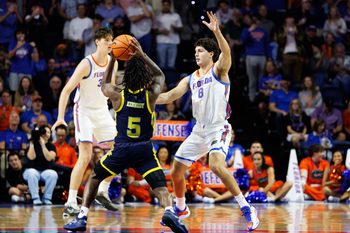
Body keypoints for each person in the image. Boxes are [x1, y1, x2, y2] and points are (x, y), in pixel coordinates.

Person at [64, 37, 187, 233]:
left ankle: (82, 216)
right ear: (145, 77)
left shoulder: (117, 94)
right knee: (160, 185)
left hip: (121, 148)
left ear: (125, 76)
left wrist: (113, 59)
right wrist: (142, 54)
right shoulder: (151, 95)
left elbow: (103, 85)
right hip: (144, 149)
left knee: (96, 176)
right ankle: (170, 211)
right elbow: (160, 75)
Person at [156, 11, 259, 231]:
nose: (196, 54)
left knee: (215, 166)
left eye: (200, 51)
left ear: (211, 53)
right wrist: (143, 96)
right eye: (195, 51)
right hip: (198, 131)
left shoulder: (219, 70)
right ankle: (181, 208)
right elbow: (168, 96)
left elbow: (227, 52)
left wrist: (217, 32)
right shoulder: (190, 78)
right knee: (176, 170)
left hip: (218, 129)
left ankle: (246, 207)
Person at [51, 27, 118, 217]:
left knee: (122, 149)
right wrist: (60, 118)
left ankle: (103, 189)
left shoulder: (113, 62)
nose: (110, 44)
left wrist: (119, 109)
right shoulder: (86, 63)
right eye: (106, 41)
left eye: (111, 41)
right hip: (84, 112)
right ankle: (71, 202)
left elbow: (110, 91)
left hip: (102, 111)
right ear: (97, 42)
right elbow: (66, 90)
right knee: (86, 155)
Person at [23, 125, 58, 205]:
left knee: (53, 174)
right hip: (30, 171)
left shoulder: (51, 146)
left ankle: (47, 198)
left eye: (49, 132)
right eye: (45, 132)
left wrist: (43, 144)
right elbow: (31, 157)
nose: (46, 134)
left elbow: (49, 158)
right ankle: (35, 198)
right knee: (32, 173)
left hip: (44, 172)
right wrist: (32, 143)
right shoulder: (33, 144)